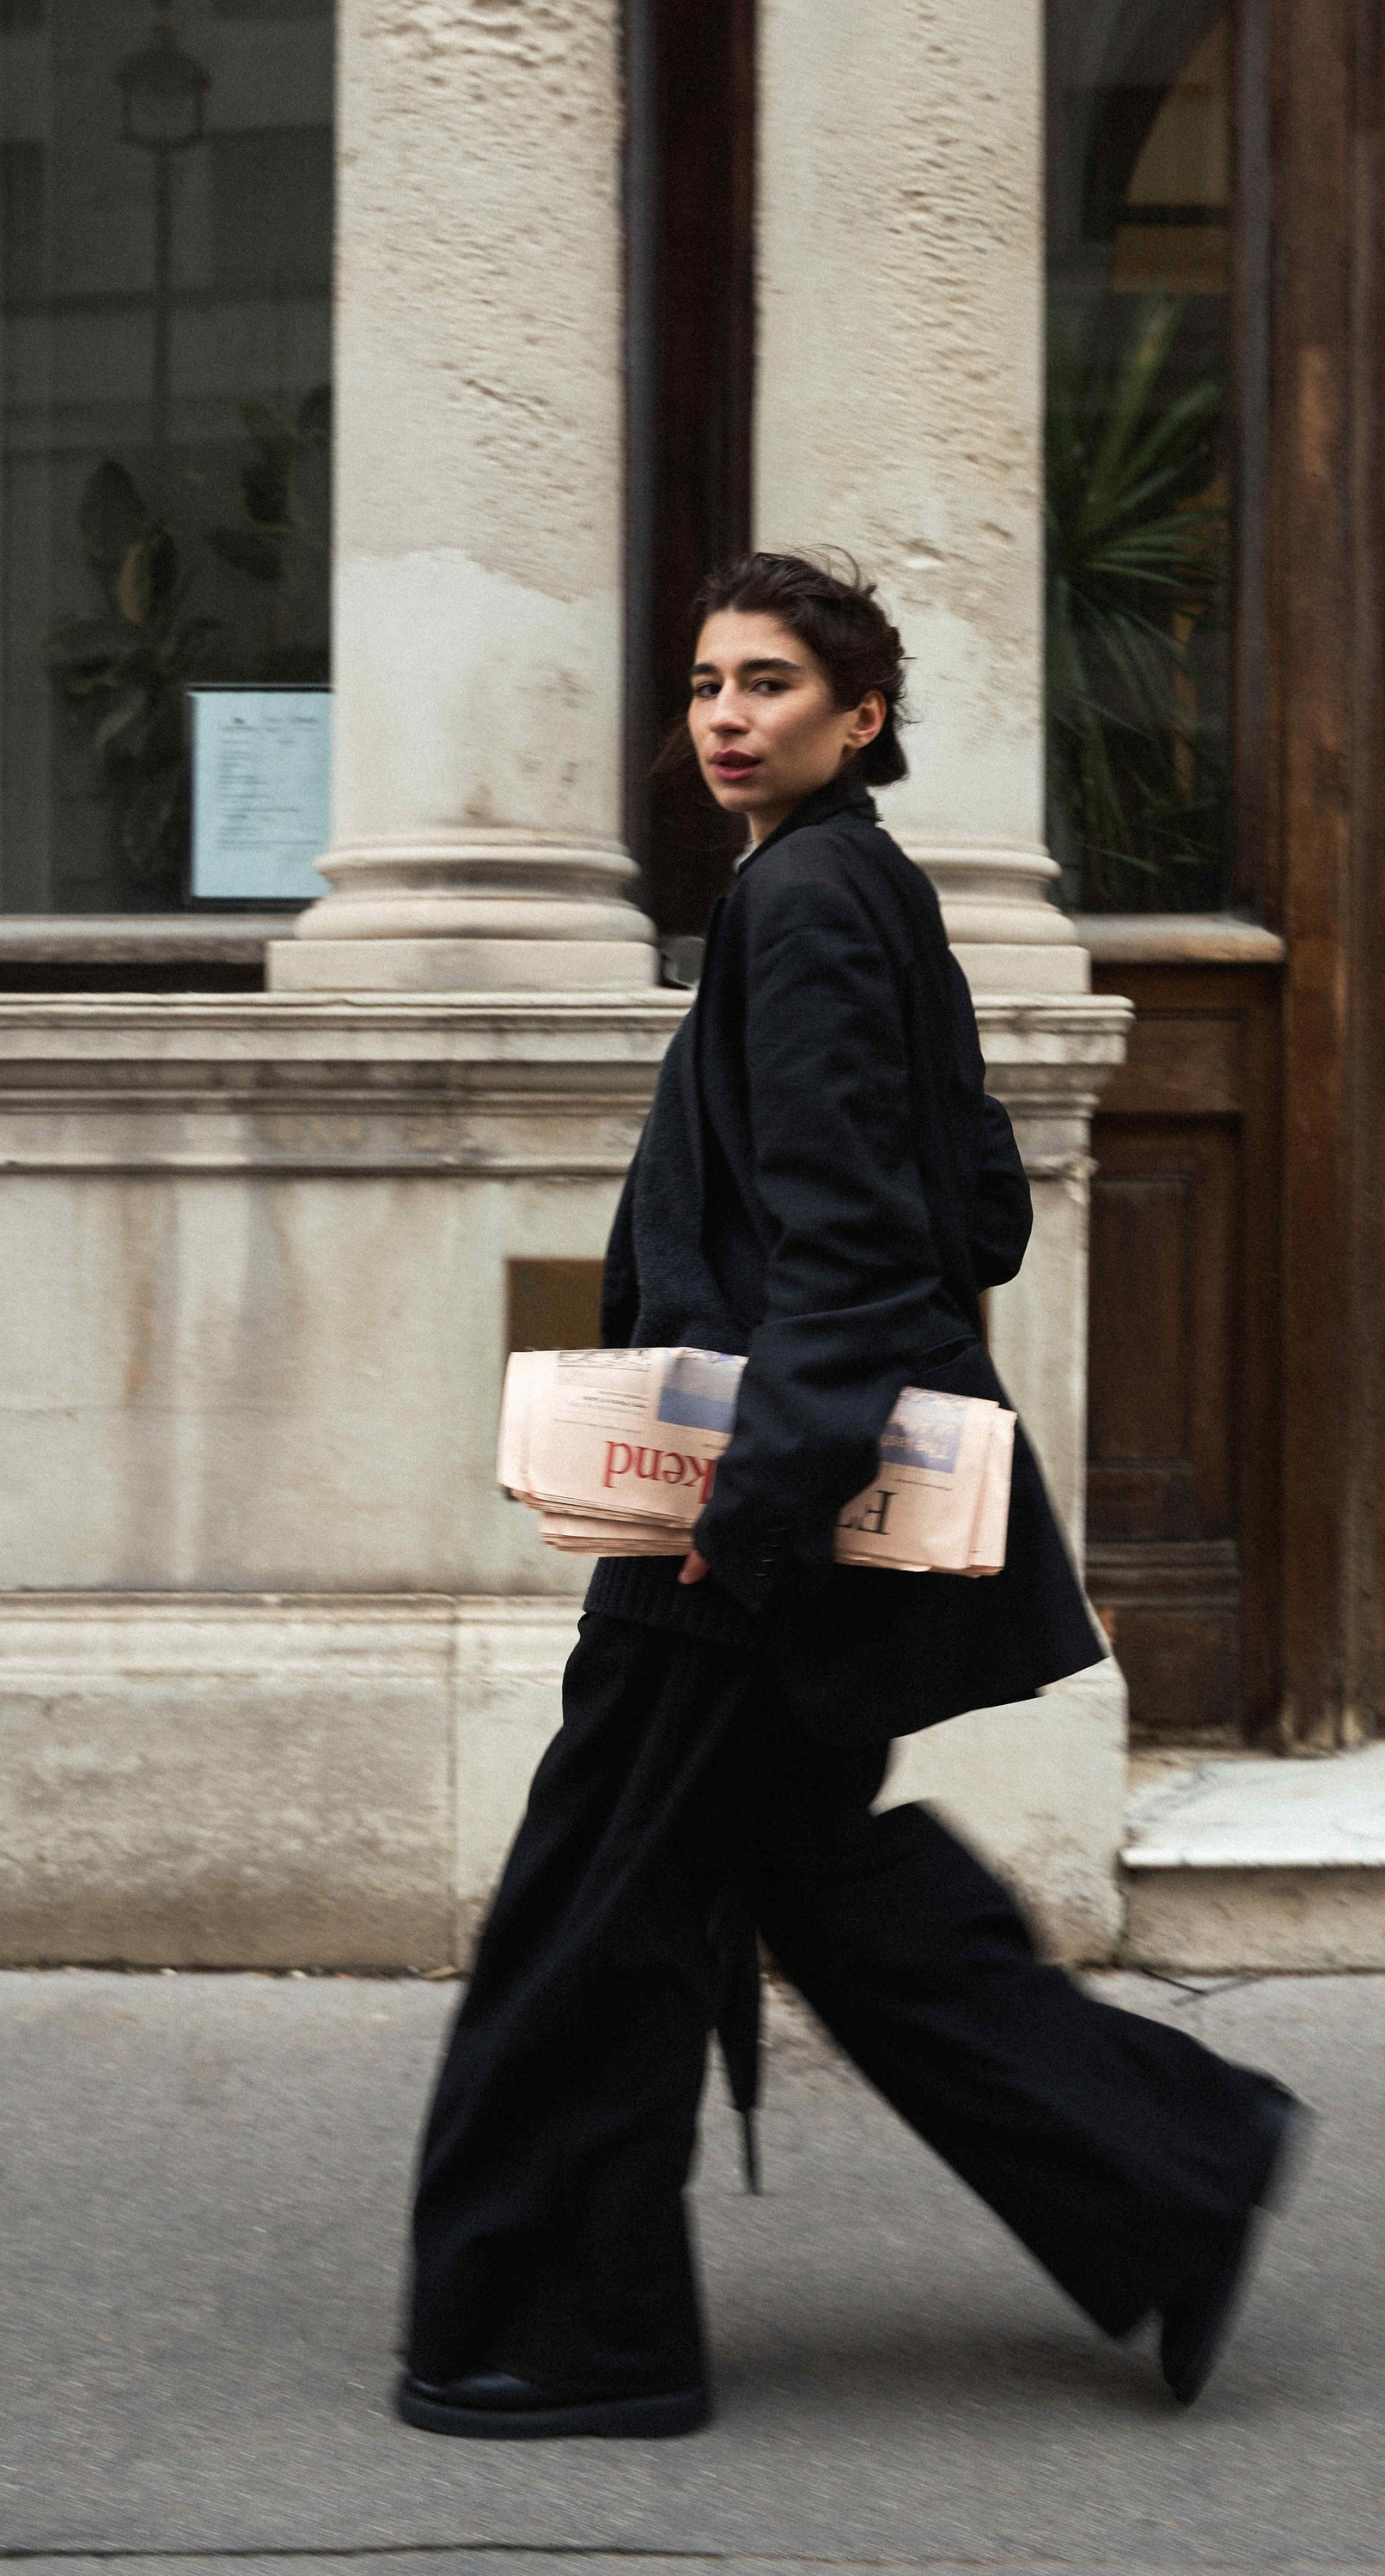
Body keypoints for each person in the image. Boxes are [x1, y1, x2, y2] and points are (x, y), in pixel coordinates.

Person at [398, 551, 1303, 2441]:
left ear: (858, 717)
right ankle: (1172, 2168)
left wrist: (749, 1509)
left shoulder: (802, 908)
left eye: (771, 685)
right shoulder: (858, 890)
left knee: (593, 1913)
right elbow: (973, 1203)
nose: (725, 715)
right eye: (710, 683)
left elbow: (858, 1247)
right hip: (778, 1499)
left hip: (747, 1528)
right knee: (812, 1878)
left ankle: (566, 2334)